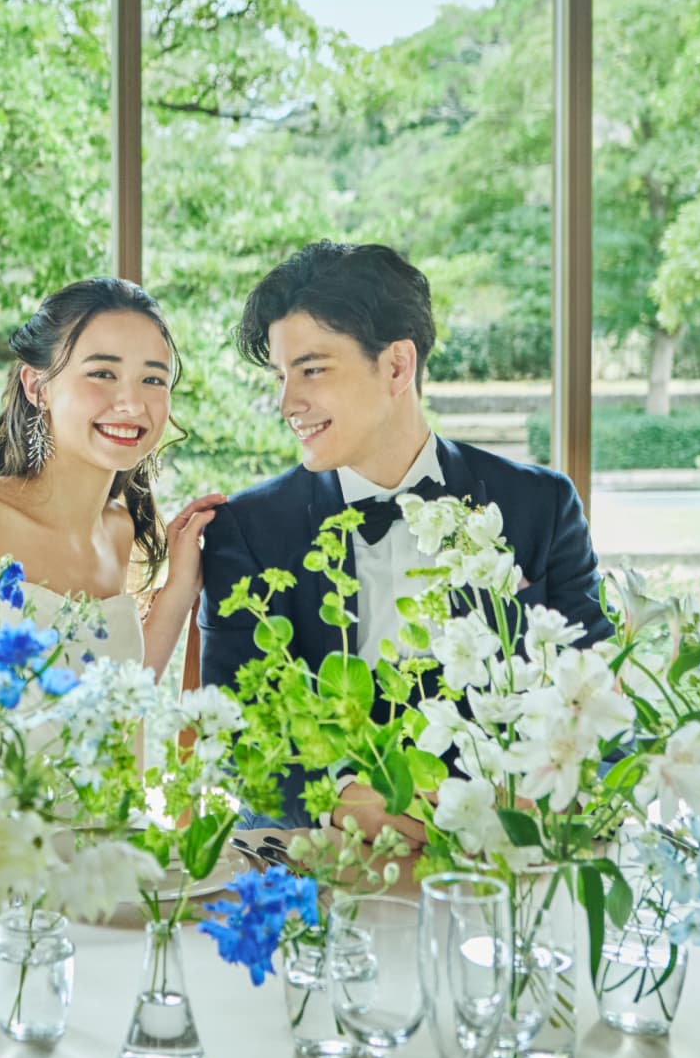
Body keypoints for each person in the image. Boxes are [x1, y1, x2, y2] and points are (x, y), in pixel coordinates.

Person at [198, 240, 609, 841]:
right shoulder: (248, 527)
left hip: (501, 838)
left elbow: (595, 689)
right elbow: (237, 727)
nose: (287, 403)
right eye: (281, 377)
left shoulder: (539, 505)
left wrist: (542, 799)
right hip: (321, 847)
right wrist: (347, 803)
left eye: (311, 370)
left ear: (396, 366)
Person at [0, 277, 224, 836]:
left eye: (153, 378)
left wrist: (178, 587)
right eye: (102, 373)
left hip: (97, 855)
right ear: (38, 386)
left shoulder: (118, 530)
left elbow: (113, 693)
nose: (132, 402)